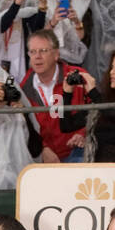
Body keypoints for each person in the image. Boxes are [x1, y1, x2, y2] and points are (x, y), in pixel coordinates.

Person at [20, 29, 85, 162]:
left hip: (77, 151)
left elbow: (99, 110)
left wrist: (84, 133)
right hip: (44, 158)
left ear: (56, 54)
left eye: (43, 51)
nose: (37, 56)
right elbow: (24, 128)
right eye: (32, 52)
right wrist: (42, 148)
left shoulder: (78, 77)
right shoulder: (23, 90)